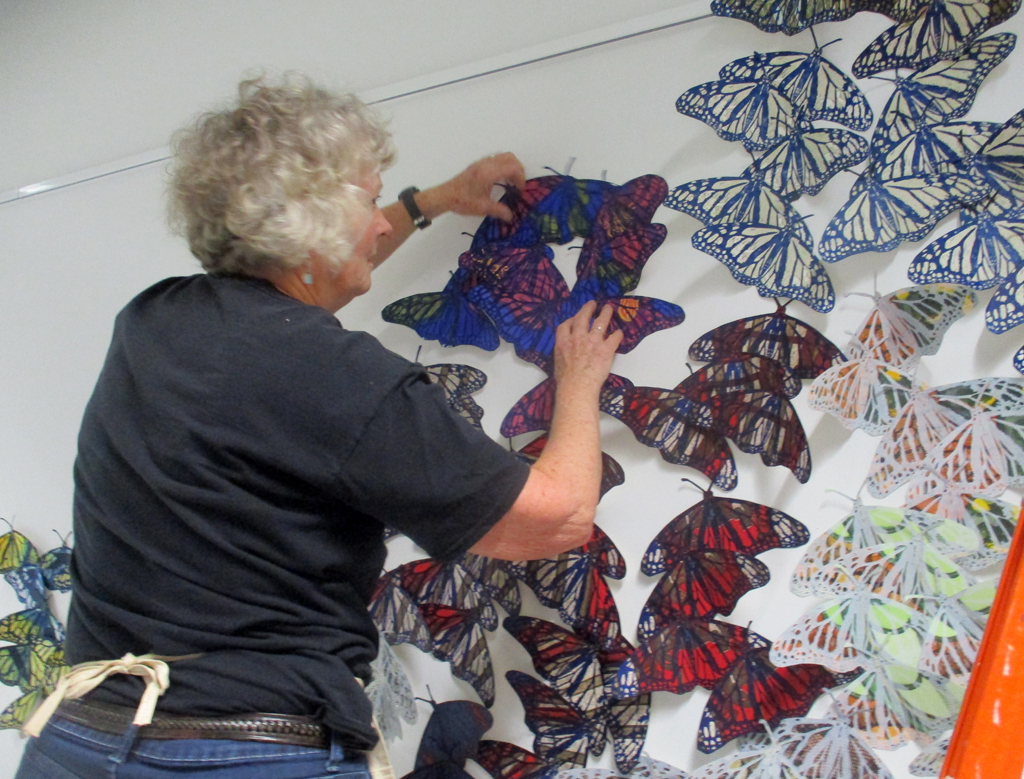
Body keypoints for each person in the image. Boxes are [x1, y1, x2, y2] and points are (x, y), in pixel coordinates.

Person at [15, 74, 622, 779]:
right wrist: (577, 385)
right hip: (238, 758)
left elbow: (306, 280)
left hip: (78, 742)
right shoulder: (343, 379)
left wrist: (431, 201)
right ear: (312, 224)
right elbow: (557, 518)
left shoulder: (152, 322)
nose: (380, 223)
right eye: (370, 202)